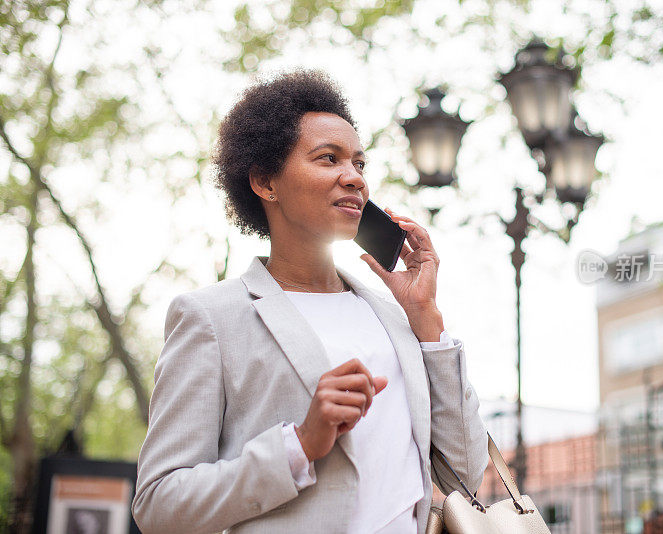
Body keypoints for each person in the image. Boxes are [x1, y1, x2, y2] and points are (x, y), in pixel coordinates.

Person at [131, 69, 488, 534]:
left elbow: (464, 474)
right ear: (265, 182)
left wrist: (426, 320)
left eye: (360, 164)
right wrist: (299, 445)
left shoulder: (391, 316)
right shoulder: (212, 319)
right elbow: (159, 504)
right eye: (328, 159)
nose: (354, 178)